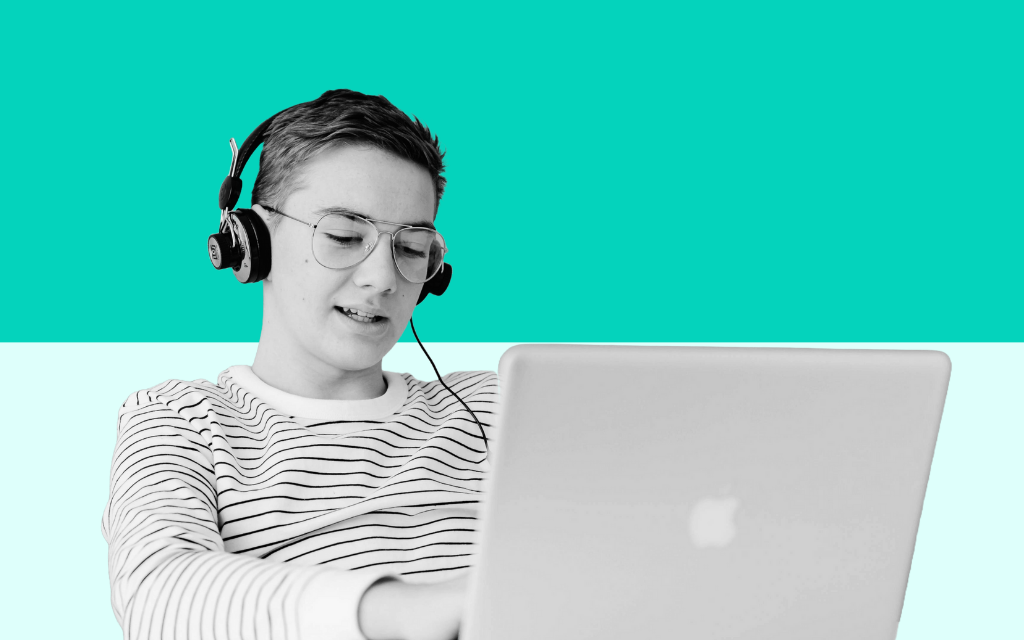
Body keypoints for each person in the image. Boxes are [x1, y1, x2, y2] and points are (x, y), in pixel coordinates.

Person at [101, 90, 498, 640]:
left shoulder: (496, 406)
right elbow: (157, 596)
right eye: (343, 236)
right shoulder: (181, 419)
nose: (381, 278)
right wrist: (403, 611)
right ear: (251, 241)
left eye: (410, 248)